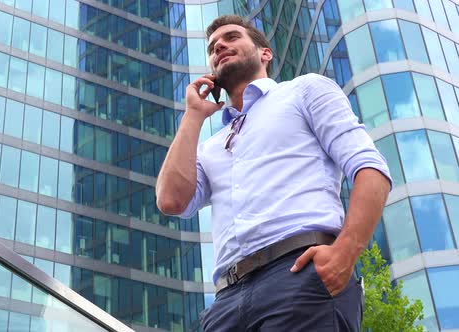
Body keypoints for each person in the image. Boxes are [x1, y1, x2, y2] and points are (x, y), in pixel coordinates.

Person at [155, 15, 392, 331]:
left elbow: (370, 168)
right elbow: (171, 201)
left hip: (299, 275)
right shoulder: (211, 146)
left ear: (265, 53)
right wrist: (193, 116)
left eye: (231, 37)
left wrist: (345, 253)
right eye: (212, 47)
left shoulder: (303, 91)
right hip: (226, 302)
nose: (219, 46)